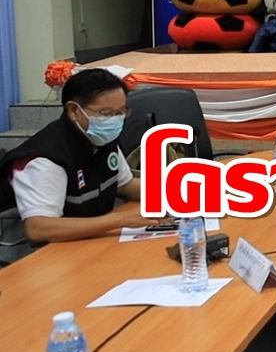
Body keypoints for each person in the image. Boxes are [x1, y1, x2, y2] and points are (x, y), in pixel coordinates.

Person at [0, 69, 162, 263]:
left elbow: (124, 184)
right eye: (105, 113)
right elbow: (38, 229)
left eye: (120, 112)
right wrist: (121, 220)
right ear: (74, 111)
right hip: (31, 258)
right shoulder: (45, 158)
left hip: (84, 243)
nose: (115, 120)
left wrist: (176, 192)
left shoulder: (101, 138)